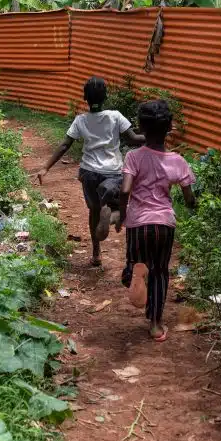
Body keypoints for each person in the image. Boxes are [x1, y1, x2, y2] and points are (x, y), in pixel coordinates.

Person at [38, 77, 144, 266]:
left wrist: (46, 167)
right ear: (105, 96)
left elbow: (64, 145)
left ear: (85, 97)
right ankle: (111, 217)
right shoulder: (115, 116)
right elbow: (134, 138)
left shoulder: (80, 120)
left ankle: (96, 253)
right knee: (117, 206)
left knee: (93, 209)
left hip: (89, 172)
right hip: (112, 171)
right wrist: (155, 135)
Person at [116, 99, 196, 342]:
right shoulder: (178, 161)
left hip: (138, 223)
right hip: (164, 223)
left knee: (136, 258)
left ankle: (133, 270)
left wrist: (121, 214)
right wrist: (193, 206)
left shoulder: (133, 156)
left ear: (140, 127)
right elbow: (189, 197)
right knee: (160, 271)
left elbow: (125, 190)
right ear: (169, 127)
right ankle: (156, 325)